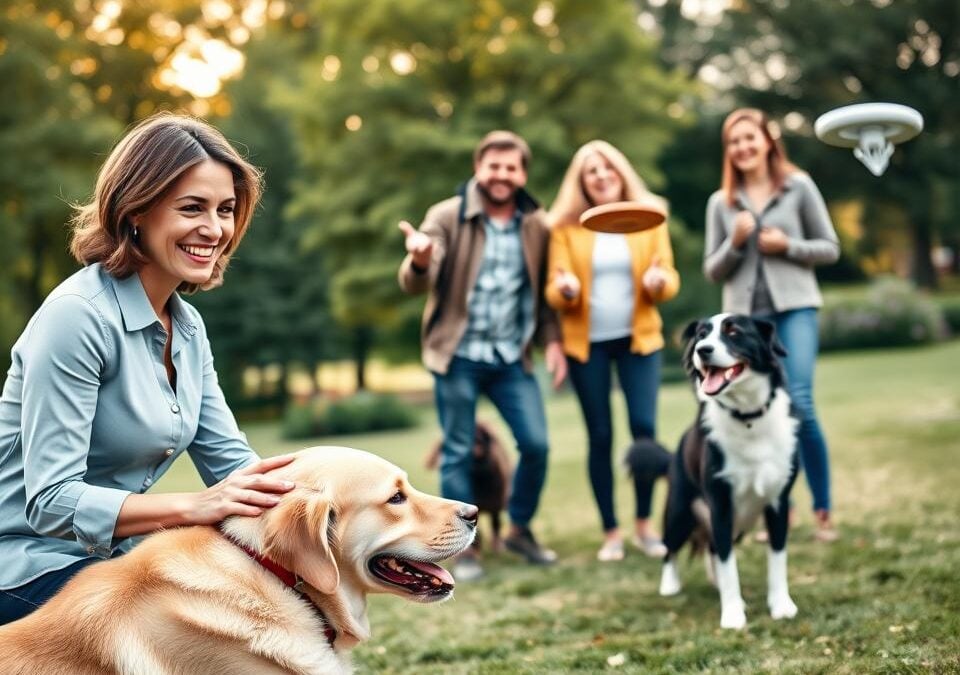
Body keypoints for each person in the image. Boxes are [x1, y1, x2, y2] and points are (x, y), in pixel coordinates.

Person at [0, 114, 297, 624]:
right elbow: (50, 501)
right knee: (193, 624)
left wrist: (326, 500)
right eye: (191, 208)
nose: (214, 229)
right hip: (23, 565)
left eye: (225, 210)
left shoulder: (187, 327)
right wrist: (195, 507)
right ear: (136, 212)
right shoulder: (78, 316)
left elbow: (233, 466)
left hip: (111, 561)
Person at [398, 131, 567, 581]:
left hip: (512, 357)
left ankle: (520, 529)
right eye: (494, 166)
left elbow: (545, 293)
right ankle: (462, 550)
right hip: (459, 354)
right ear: (479, 168)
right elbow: (417, 278)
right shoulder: (448, 216)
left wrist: (552, 341)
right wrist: (418, 259)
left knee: (536, 444)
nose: (502, 175)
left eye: (511, 168)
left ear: (522, 174)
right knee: (456, 450)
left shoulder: (536, 224)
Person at [703, 108, 840, 542]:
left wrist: (788, 245)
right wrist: (735, 243)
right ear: (728, 151)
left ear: (767, 140)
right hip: (745, 324)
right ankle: (780, 507)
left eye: (750, 138)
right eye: (734, 142)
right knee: (758, 412)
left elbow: (830, 247)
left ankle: (822, 509)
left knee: (798, 401)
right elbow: (712, 269)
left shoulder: (797, 188)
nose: (743, 147)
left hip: (795, 310)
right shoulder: (721, 203)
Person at [545, 140, 680, 562]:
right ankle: (611, 532)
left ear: (621, 173)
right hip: (588, 346)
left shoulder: (649, 217)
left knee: (644, 429)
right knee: (600, 436)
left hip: (639, 340)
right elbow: (554, 286)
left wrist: (659, 284)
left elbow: (668, 277)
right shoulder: (565, 227)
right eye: (591, 172)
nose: (601, 176)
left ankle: (644, 524)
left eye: (608, 169)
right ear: (581, 182)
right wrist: (565, 290)